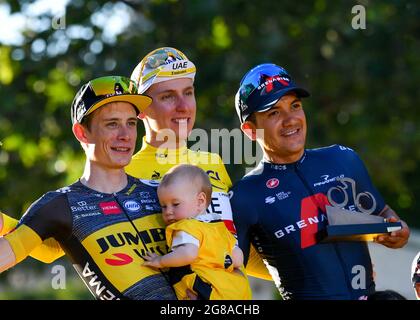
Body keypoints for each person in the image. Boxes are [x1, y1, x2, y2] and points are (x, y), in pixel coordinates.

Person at [0, 47, 270, 283]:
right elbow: (55, 245)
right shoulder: (122, 171)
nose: (183, 106)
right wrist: (4, 224)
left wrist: (300, 272)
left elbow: (230, 246)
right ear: (141, 111)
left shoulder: (211, 162)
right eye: (167, 97)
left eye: (188, 92)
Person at [230, 63, 410, 300]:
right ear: (250, 130)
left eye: (295, 106)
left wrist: (397, 232)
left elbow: (386, 216)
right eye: (274, 112)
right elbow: (229, 271)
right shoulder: (245, 195)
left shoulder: (343, 159)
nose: (290, 119)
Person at [0, 76, 177, 300]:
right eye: (112, 124)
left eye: (131, 123)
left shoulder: (160, 192)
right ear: (82, 133)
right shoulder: (58, 206)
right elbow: (14, 251)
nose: (125, 135)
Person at [143, 164, 251, 300]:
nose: (168, 211)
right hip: (234, 289)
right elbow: (238, 258)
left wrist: (160, 261)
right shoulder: (219, 226)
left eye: (175, 204)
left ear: (200, 201)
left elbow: (188, 254)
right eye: (163, 206)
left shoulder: (186, 227)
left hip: (205, 288)